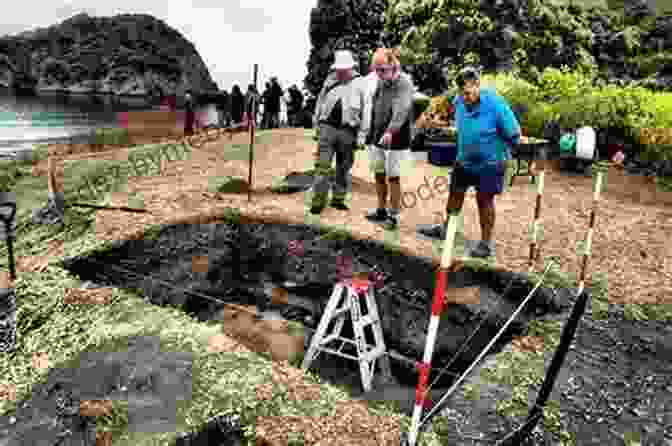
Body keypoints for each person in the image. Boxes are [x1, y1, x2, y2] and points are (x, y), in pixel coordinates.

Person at [417, 66, 521, 259]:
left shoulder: (496, 104)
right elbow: (457, 123)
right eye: (462, 93)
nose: (465, 98)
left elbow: (514, 134)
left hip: (490, 163)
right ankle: (448, 229)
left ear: (477, 85)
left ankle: (485, 244)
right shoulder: (459, 102)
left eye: (468, 93)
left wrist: (501, 155)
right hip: (464, 160)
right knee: (455, 195)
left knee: (484, 200)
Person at [360, 47, 415, 230]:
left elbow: (402, 109)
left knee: (393, 177)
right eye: (376, 70)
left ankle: (393, 216)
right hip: (377, 136)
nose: (378, 73)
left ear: (392, 64)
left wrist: (391, 131)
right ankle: (381, 210)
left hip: (397, 139)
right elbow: (375, 106)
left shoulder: (404, 82)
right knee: (378, 173)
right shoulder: (381, 82)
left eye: (382, 69)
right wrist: (369, 134)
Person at [309, 49, 365, 214]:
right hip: (327, 127)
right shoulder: (330, 80)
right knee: (322, 166)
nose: (339, 72)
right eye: (338, 69)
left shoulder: (360, 83)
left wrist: (362, 134)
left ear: (350, 68)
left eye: (343, 69)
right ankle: (318, 201)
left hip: (349, 130)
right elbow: (320, 101)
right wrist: (317, 124)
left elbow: (367, 108)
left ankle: (338, 199)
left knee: (343, 168)